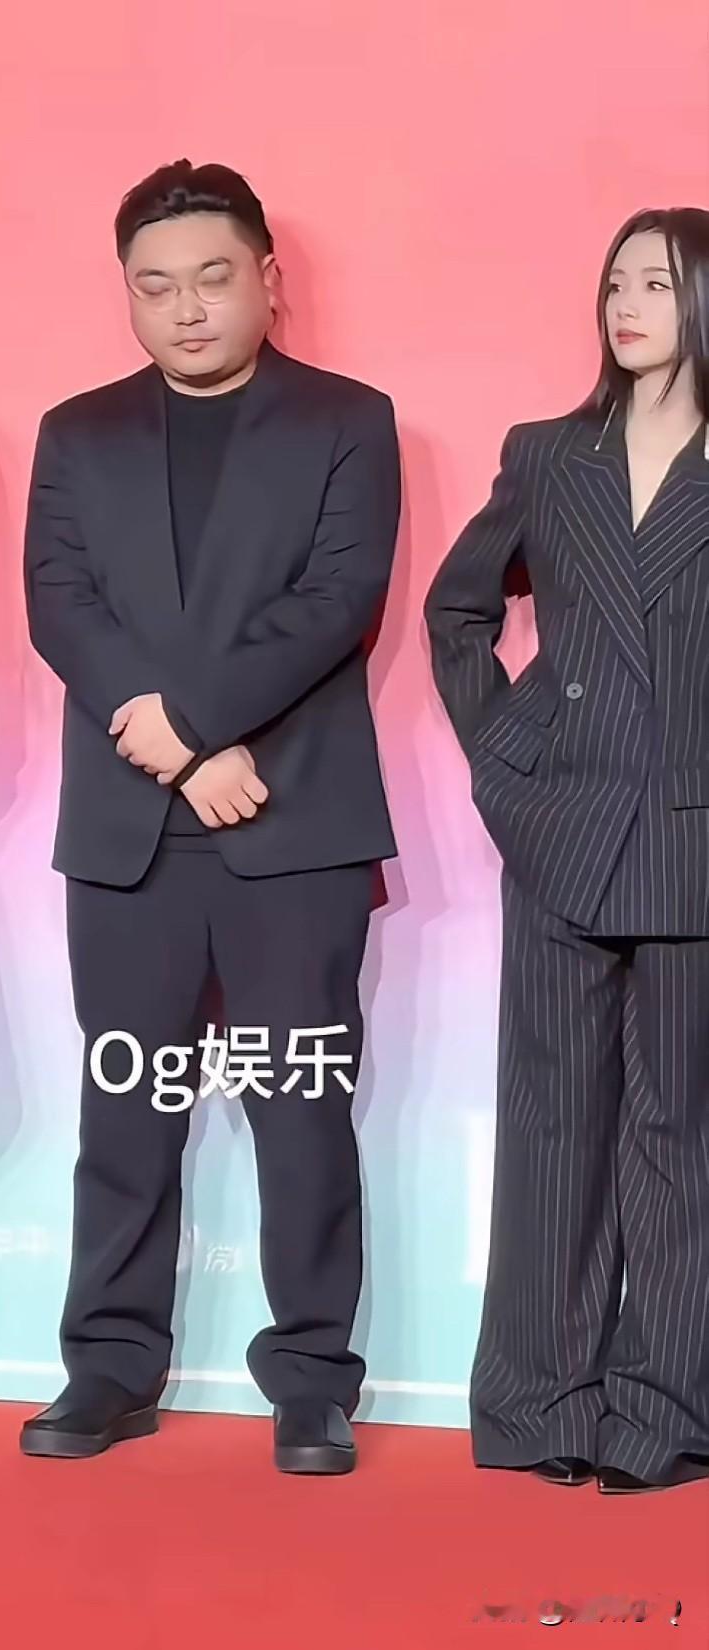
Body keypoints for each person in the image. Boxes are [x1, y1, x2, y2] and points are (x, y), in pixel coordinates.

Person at [20, 160, 400, 1472]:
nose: (186, 308)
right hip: (130, 837)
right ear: (127, 294)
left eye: (212, 278)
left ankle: (312, 1379)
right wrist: (176, 749)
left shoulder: (349, 420)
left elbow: (338, 598)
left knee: (302, 1113)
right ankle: (108, 1369)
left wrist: (197, 727)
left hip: (295, 829)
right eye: (156, 285)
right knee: (126, 1112)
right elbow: (61, 601)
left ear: (268, 279)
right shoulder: (78, 432)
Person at [424, 207, 709, 1495]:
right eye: (614, 283)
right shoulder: (548, 453)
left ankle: (664, 1414)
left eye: (656, 282)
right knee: (551, 1127)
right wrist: (508, 755)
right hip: (563, 830)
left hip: (695, 836)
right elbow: (459, 610)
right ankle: (542, 1405)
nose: (626, 305)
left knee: (679, 1135)